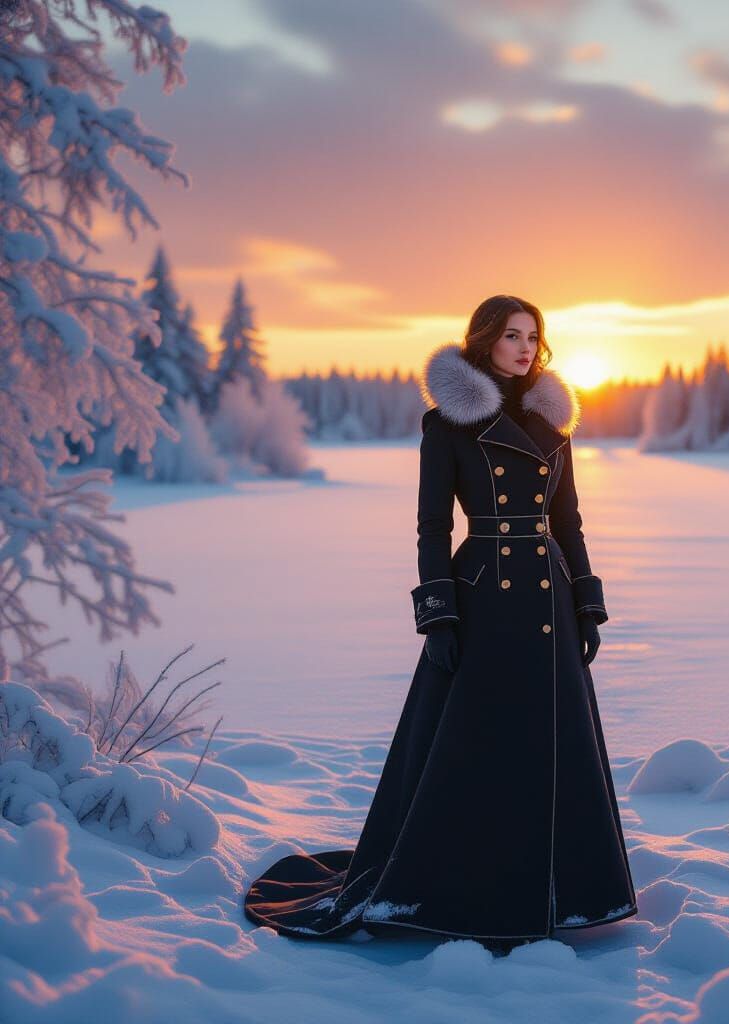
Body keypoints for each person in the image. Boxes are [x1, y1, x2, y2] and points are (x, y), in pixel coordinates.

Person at [243, 294, 637, 953]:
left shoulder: (553, 421)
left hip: (548, 601)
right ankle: (461, 883)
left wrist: (586, 602)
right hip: (484, 600)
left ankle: (565, 892)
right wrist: (439, 617)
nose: (524, 348)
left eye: (532, 337)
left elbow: (567, 522)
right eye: (511, 335)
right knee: (472, 744)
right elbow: (433, 527)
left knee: (555, 744)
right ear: (484, 341)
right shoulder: (449, 424)